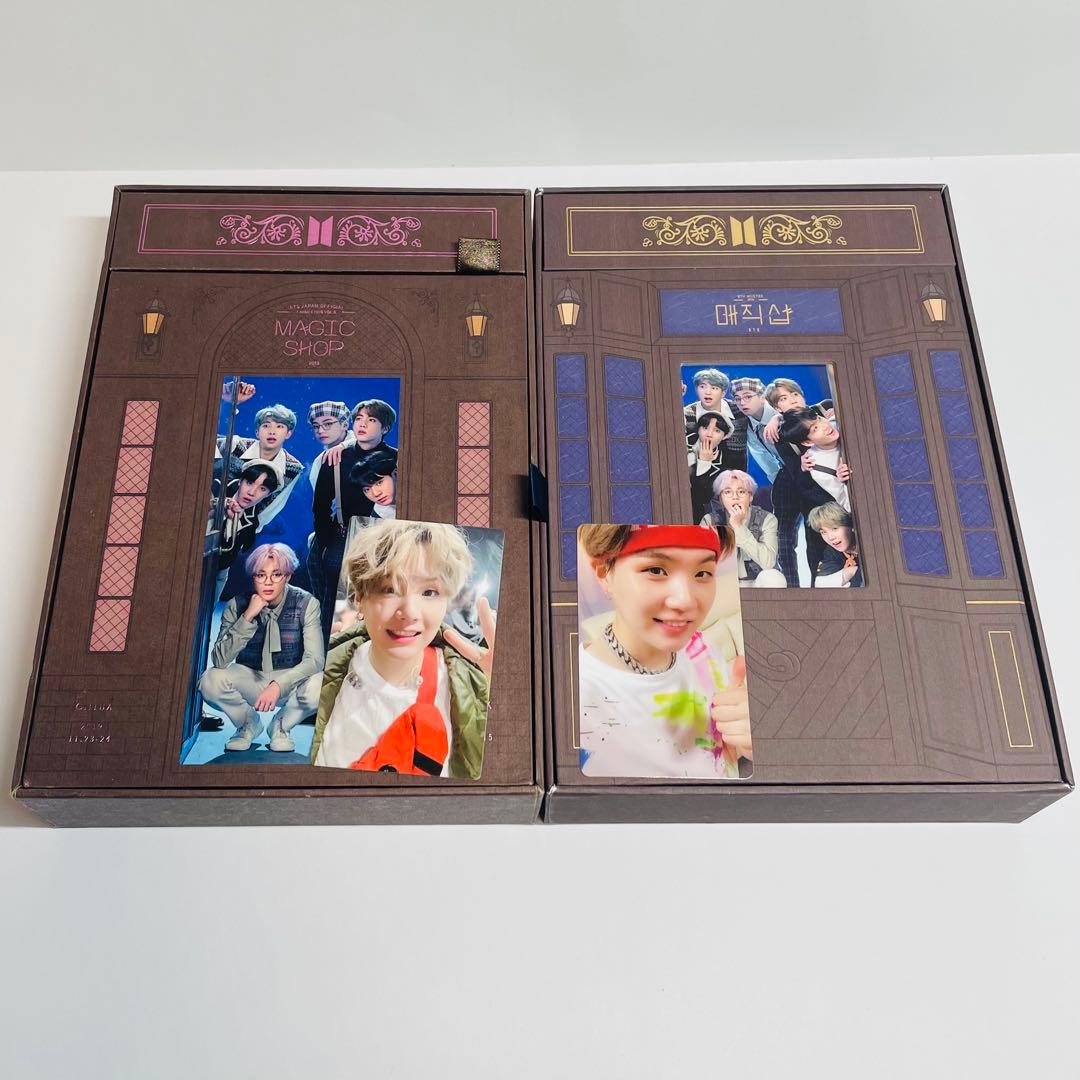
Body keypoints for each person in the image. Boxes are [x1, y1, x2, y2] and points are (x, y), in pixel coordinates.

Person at [311, 520, 494, 779]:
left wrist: (501, 698)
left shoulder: (471, 688)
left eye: (429, 592)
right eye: (389, 589)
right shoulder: (325, 668)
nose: (409, 612)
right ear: (359, 598)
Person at [576, 524, 751, 779]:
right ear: (604, 573)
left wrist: (745, 742)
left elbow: (721, 758)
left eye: (702, 573)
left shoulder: (701, 649)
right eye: (656, 570)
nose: (685, 600)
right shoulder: (577, 697)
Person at [198, 543, 324, 753]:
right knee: (210, 680)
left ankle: (281, 726)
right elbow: (219, 660)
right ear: (253, 577)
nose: (268, 582)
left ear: (288, 576)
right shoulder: (236, 605)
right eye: (260, 575)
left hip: (289, 677)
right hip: (250, 675)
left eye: (277, 574)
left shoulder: (306, 603)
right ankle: (248, 724)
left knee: (322, 684)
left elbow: (315, 660)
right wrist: (248, 616)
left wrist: (278, 685)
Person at [309, 399, 398, 639]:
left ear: (385, 427)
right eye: (359, 419)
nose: (362, 424)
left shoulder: (396, 459)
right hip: (343, 534)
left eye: (371, 420)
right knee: (335, 595)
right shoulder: (335, 458)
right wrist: (326, 540)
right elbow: (320, 506)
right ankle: (329, 644)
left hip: (383, 537)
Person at [731, 377, 803, 587]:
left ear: (762, 397)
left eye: (748, 397)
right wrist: (781, 480)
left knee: (816, 530)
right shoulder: (749, 427)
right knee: (783, 538)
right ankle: (792, 588)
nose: (742, 402)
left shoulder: (781, 411)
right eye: (737, 399)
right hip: (785, 478)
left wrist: (777, 419)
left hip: (809, 471)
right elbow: (762, 457)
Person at [216, 403, 303, 528]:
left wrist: (246, 527)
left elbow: (272, 506)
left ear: (288, 433)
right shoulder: (236, 445)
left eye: (279, 426)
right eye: (266, 426)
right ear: (257, 432)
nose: (272, 432)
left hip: (242, 525)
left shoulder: (292, 468)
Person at [701, 470, 784, 587]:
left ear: (750, 496)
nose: (735, 497)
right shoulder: (709, 521)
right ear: (721, 498)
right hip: (723, 583)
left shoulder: (767, 519)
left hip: (756, 583)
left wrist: (738, 526)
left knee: (774, 578)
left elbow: (768, 563)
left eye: (741, 492)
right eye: (728, 492)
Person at [209, 461, 279, 599]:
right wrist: (217, 508)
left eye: (262, 489)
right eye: (249, 483)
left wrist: (234, 521)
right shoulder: (216, 486)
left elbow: (230, 555)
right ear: (240, 481)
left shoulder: (251, 522)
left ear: (267, 495)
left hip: (218, 572)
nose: (252, 492)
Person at [776, 407, 853, 512]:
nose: (825, 426)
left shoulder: (839, 422)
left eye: (819, 419)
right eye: (815, 429)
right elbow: (848, 507)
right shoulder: (817, 467)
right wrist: (844, 483)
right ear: (808, 442)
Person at [684, 368, 746, 470]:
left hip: (736, 473)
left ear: (723, 393)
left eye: (714, 388)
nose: (708, 392)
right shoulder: (686, 415)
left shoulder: (739, 410)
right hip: (699, 473)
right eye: (702, 387)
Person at [687, 410, 733, 526]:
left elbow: (701, 498)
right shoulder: (679, 442)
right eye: (705, 428)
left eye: (717, 431)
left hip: (690, 512)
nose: (709, 434)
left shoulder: (723, 465)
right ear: (698, 429)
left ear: (724, 436)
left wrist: (704, 462)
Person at [807, 502, 863, 588]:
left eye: (834, 528)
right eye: (823, 532)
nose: (830, 537)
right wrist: (851, 571)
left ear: (850, 525)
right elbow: (820, 584)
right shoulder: (831, 552)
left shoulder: (867, 543)